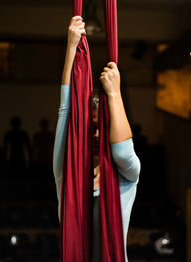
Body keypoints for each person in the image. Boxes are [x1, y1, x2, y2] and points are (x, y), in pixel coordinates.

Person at [53, 16, 141, 262]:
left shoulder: (126, 176)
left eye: (100, 128)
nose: (94, 135)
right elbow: (65, 111)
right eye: (89, 128)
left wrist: (114, 94)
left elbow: (122, 152)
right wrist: (71, 47)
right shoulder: (66, 173)